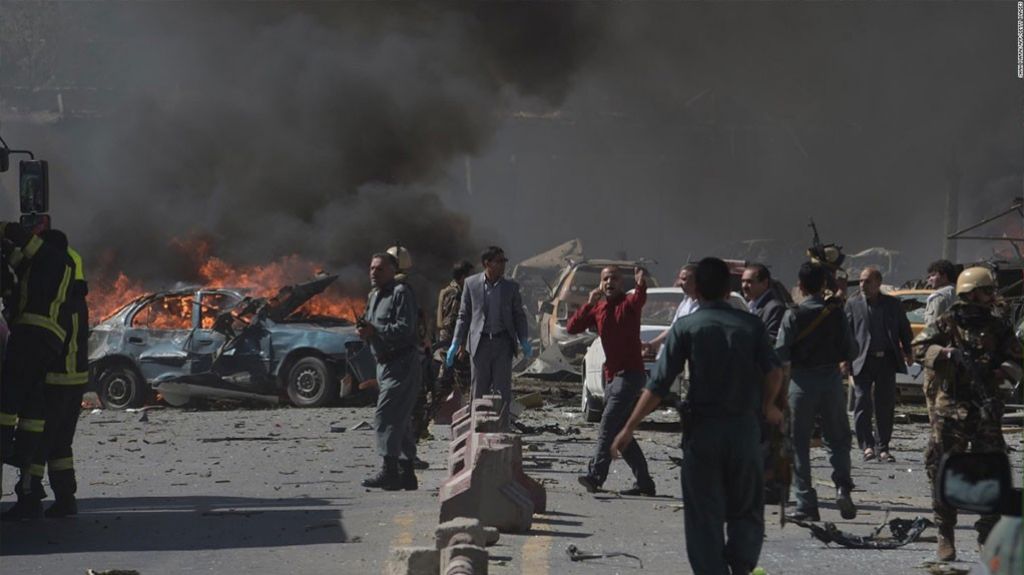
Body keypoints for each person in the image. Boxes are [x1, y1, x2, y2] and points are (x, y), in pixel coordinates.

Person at [611, 257, 784, 575]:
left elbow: (658, 386)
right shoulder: (751, 325)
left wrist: (628, 427)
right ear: (727, 289)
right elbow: (774, 373)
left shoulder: (687, 327)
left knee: (704, 514)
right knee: (746, 507)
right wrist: (769, 405)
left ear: (698, 289)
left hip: (704, 433)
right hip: (745, 431)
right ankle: (742, 565)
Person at [914, 266, 1020, 561]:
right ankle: (945, 534)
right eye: (987, 291)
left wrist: (1002, 371)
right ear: (971, 292)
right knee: (942, 469)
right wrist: (946, 355)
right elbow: (919, 348)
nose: (992, 296)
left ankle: (987, 536)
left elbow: (1018, 359)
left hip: (985, 408)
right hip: (950, 410)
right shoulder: (947, 323)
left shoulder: (998, 327)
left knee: (993, 473)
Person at [0, 223, 74, 519]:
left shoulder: (53, 258)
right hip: (49, 341)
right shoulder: (58, 268)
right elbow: (17, 269)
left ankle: (3, 443)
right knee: (32, 399)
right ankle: (24, 451)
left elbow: (28, 248)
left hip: (31, 331)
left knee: (11, 389)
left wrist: (4, 227)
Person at [775, 262, 859, 522]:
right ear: (824, 285)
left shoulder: (793, 314)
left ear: (800, 286)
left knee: (798, 444)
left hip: (801, 383)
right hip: (832, 381)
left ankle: (806, 503)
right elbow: (852, 350)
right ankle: (842, 487)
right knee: (838, 439)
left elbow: (780, 352)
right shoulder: (835, 313)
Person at [568, 266, 655, 496]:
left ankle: (596, 476)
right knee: (618, 430)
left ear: (621, 282)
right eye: (605, 279)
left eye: (614, 278)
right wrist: (589, 302)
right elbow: (572, 327)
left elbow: (639, 299)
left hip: (630, 375)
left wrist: (640, 283)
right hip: (612, 377)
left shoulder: (628, 304)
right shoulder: (599, 307)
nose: (609, 282)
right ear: (600, 283)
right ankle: (645, 482)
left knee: (607, 425)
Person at [358, 252, 421, 491]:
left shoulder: (401, 293)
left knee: (385, 416)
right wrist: (364, 331)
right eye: (372, 268)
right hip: (383, 364)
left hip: (401, 363)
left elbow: (405, 329)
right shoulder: (373, 295)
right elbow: (369, 323)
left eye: (380, 269)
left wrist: (375, 330)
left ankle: (389, 471)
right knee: (400, 419)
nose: (374, 272)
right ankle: (407, 473)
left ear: (393, 271)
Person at [447, 246, 530, 409]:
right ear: (487, 263)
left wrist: (524, 339)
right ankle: (477, 428)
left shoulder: (510, 287)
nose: (503, 265)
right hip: (480, 344)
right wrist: (455, 343)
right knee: (478, 389)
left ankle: (502, 427)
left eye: (504, 261)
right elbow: (464, 315)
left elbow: (518, 315)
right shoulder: (471, 284)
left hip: (503, 343)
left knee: (502, 390)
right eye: (499, 261)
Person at [844, 267, 913, 463]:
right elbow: (846, 334)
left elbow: (904, 329)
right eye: (861, 281)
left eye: (867, 281)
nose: (862, 285)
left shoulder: (892, 304)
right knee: (862, 401)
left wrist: (908, 351)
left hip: (886, 361)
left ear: (878, 283)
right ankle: (866, 446)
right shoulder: (853, 304)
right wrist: (844, 359)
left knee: (885, 405)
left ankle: (883, 447)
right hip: (862, 361)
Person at [434, 260, 474, 415]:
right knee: (468, 386)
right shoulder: (456, 294)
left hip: (448, 345)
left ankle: (423, 421)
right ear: (463, 277)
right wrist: (461, 344)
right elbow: (452, 322)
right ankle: (475, 419)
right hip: (454, 346)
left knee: (444, 385)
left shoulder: (448, 290)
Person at [645, 264, 697, 355]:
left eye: (684, 279)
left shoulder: (703, 307)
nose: (680, 283)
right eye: (680, 279)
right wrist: (651, 345)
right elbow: (673, 328)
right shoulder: (685, 302)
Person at [742, 263, 787, 341]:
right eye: (743, 281)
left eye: (749, 282)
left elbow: (772, 339)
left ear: (764, 283)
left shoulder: (775, 308)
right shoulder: (748, 305)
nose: (744, 286)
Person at [923, 259, 957, 326]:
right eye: (929, 277)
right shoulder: (960, 291)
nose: (930, 279)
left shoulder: (937, 296)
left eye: (933, 275)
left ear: (944, 276)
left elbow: (932, 326)